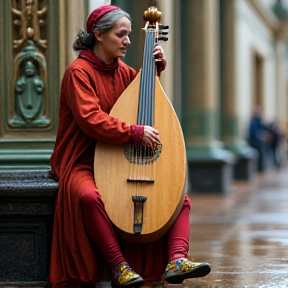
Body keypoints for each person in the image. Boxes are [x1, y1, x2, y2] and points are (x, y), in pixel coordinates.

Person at [49, 5, 211, 288]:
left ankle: (176, 260)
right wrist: (134, 132)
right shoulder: (79, 73)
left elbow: (141, 102)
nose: (127, 41)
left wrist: (153, 70)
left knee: (176, 197)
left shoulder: (124, 72)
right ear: (99, 35)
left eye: (128, 35)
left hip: (118, 157)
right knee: (88, 196)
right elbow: (92, 120)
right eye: (121, 35)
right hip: (82, 159)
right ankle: (120, 266)